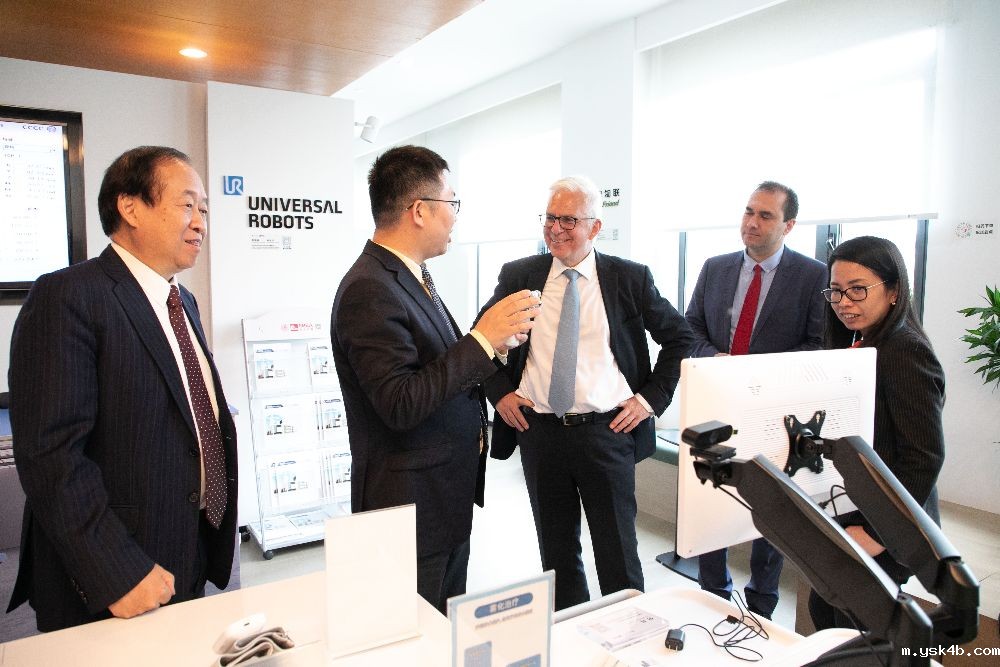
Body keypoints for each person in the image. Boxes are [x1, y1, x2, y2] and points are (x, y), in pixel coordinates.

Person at [6, 146, 238, 631]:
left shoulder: (183, 300)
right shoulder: (68, 295)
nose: (200, 223)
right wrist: (117, 572)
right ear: (130, 207)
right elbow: (51, 456)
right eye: (187, 205)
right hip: (114, 573)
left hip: (186, 548)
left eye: (205, 210)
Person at [330, 145, 539, 613]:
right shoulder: (370, 288)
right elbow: (400, 402)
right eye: (452, 203)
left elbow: (433, 367)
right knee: (413, 631)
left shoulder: (409, 275)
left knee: (442, 626)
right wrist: (480, 341)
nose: (455, 216)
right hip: (408, 509)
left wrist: (494, 346)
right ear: (420, 210)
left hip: (440, 498)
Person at [478, 175, 692, 611]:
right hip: (539, 433)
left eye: (568, 220)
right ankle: (569, 632)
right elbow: (479, 338)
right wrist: (499, 392)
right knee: (556, 554)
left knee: (618, 553)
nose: (555, 229)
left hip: (606, 433)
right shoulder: (520, 275)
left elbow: (680, 338)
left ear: (595, 227)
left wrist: (649, 400)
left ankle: (629, 633)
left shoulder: (628, 278)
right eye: (550, 218)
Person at [685, 181, 827, 619]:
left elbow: (818, 344)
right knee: (713, 498)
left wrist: (760, 373)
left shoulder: (813, 276)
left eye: (765, 215)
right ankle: (713, 595)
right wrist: (716, 359)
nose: (752, 222)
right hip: (717, 403)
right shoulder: (715, 268)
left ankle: (763, 604)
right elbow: (690, 329)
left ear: (789, 225)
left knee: (772, 507)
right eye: (749, 211)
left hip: (775, 412)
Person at [809, 235, 945, 630]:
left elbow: (923, 457)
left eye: (857, 290)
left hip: (887, 524)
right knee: (828, 614)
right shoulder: (863, 344)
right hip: (855, 507)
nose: (843, 302)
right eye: (835, 291)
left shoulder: (904, 349)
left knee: (855, 632)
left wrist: (879, 534)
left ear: (894, 291)